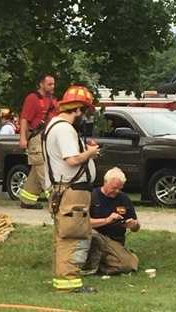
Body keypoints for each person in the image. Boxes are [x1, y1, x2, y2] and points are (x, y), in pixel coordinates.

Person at [43, 85, 101, 294]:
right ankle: (68, 282)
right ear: (77, 110)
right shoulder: (64, 129)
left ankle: (65, 280)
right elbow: (72, 159)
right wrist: (91, 153)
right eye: (84, 112)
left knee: (65, 234)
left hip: (66, 191)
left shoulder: (55, 127)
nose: (84, 117)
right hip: (72, 192)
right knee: (73, 236)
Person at [83, 168, 140, 275]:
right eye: (114, 188)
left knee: (129, 265)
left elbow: (136, 227)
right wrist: (107, 220)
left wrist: (133, 225)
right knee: (93, 235)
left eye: (120, 188)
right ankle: (101, 262)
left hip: (115, 241)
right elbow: (82, 222)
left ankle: (102, 264)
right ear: (105, 182)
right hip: (96, 237)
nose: (117, 191)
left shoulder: (124, 198)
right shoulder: (92, 196)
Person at [18, 73, 59, 209]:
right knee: (44, 170)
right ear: (41, 84)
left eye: (53, 84)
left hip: (48, 138)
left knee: (37, 170)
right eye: (49, 84)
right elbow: (24, 118)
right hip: (36, 139)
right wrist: (23, 138)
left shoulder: (53, 100)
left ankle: (27, 200)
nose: (53, 86)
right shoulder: (33, 98)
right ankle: (56, 201)